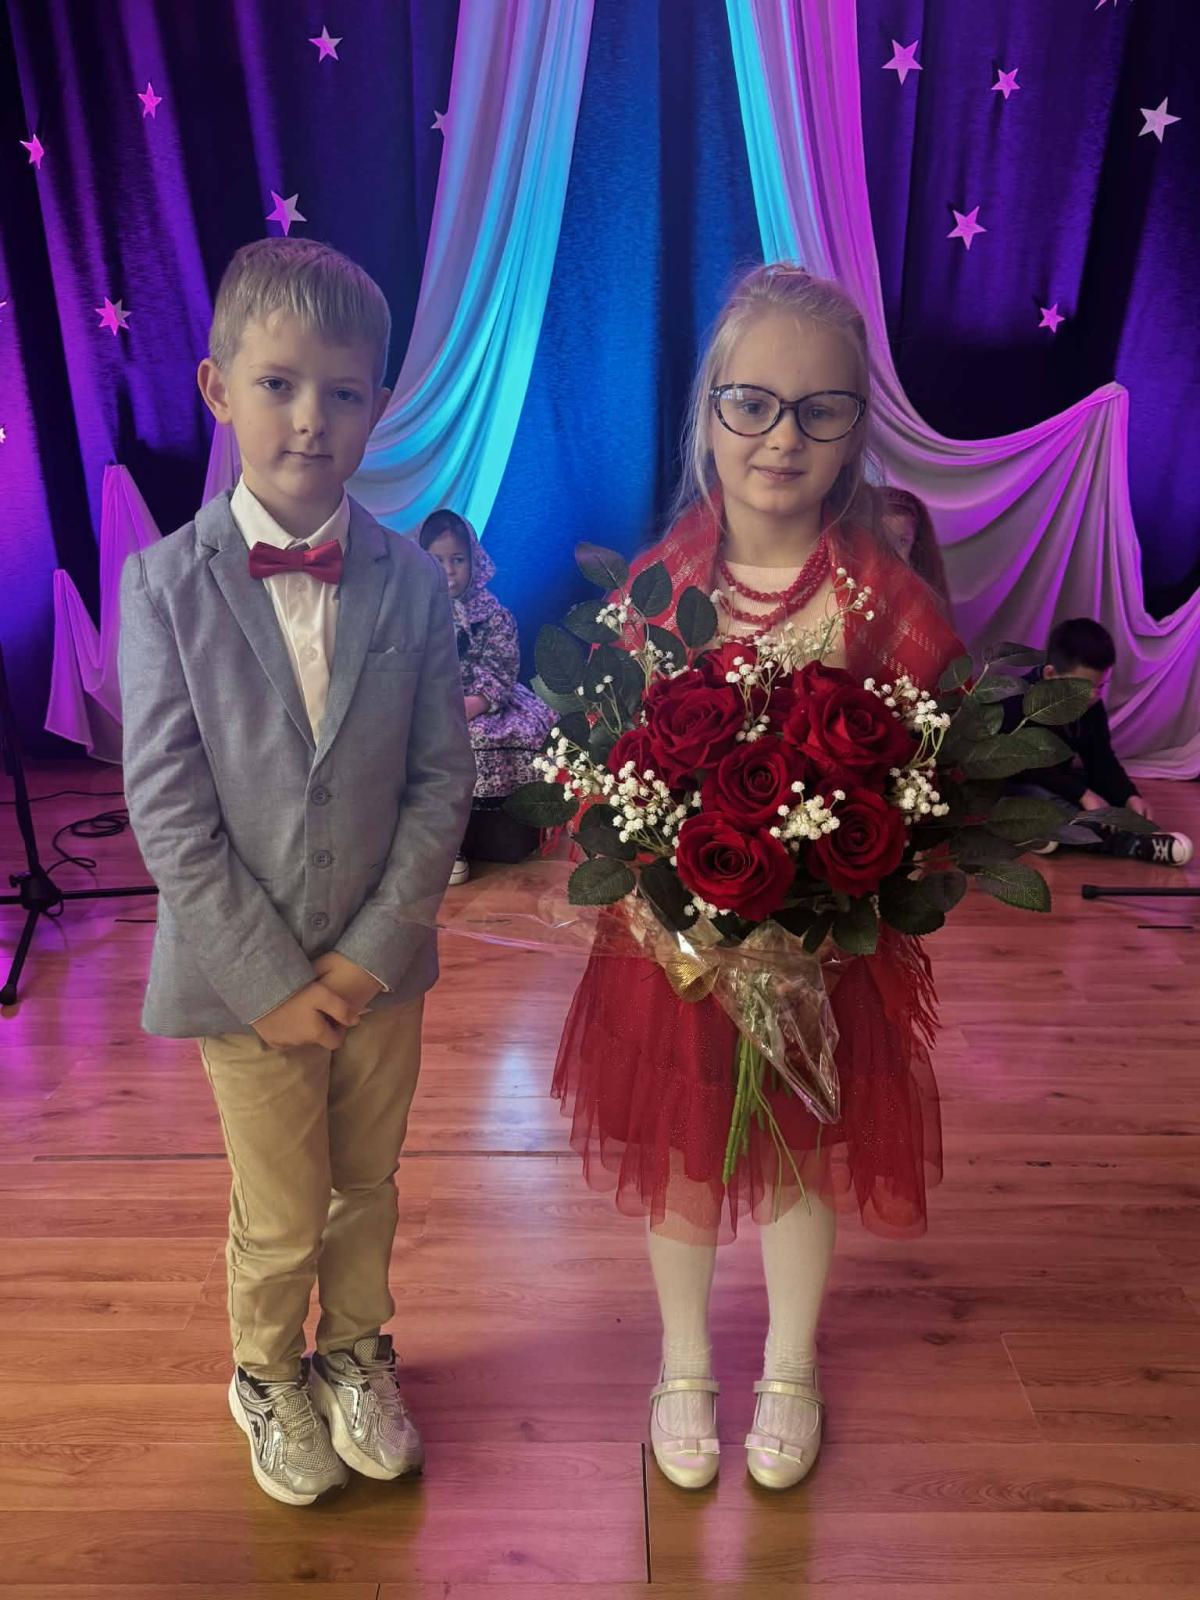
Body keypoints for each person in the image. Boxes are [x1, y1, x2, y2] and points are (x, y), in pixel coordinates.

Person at [551, 264, 964, 1493]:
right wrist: (668, 903)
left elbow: (930, 792)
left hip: (824, 961)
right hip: (675, 959)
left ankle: (790, 1360)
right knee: (683, 1155)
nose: (783, 437)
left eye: (820, 410)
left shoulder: (888, 605)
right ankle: (683, 1358)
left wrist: (838, 897)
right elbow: (604, 784)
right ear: (709, 412)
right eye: (753, 404)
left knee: (802, 1154)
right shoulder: (657, 590)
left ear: (856, 427)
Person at [119, 237, 475, 1506]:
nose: (310, 419)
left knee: (366, 1182)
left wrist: (371, 954)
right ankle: (265, 1370)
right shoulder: (162, 586)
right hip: (245, 983)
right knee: (279, 1204)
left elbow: (441, 782)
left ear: (377, 406)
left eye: (342, 391)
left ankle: (355, 1349)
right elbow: (168, 809)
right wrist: (273, 980)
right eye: (278, 384)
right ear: (219, 389)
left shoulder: (414, 585)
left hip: (380, 970)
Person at [418, 509, 555, 884]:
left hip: (484, 703)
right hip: (428, 700)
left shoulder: (494, 616)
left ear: (474, 561)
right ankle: (420, 840)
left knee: (472, 740)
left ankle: (464, 841)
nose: (448, 571)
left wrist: (472, 704)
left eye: (457, 560)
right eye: (437, 561)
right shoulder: (414, 610)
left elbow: (501, 669)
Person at [1008, 617, 1193, 866]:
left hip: (1058, 780)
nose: (1093, 696)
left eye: (1100, 686)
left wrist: (1129, 796)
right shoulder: (1018, 700)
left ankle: (1048, 831)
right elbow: (1028, 768)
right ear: (1051, 675)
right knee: (1046, 801)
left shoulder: (1091, 705)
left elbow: (1101, 759)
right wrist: (1083, 795)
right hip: (1019, 783)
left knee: (1103, 797)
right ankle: (1134, 845)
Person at [880, 484, 952, 614]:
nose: (892, 554)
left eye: (902, 541)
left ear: (916, 545)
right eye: (883, 541)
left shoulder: (924, 601)